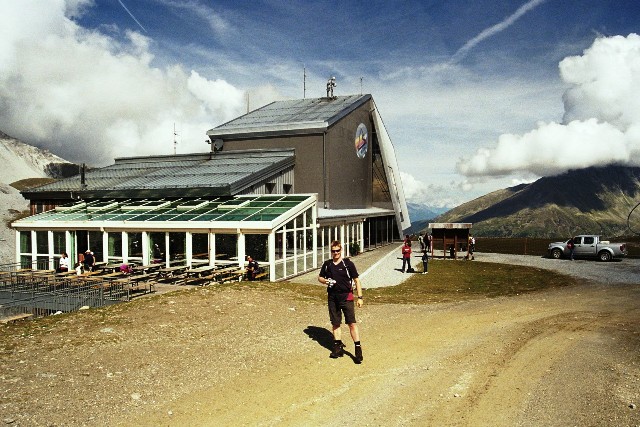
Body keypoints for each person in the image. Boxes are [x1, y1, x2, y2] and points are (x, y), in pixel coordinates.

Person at [318, 241, 364, 363]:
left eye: (338, 250)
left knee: (351, 323)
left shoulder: (348, 264)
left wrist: (360, 297)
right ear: (331, 251)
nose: (336, 253)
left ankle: (358, 349)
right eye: (333, 251)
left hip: (346, 296)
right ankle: (337, 347)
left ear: (341, 250)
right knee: (335, 323)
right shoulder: (327, 264)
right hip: (333, 297)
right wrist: (326, 281)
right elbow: (320, 277)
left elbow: (357, 280)